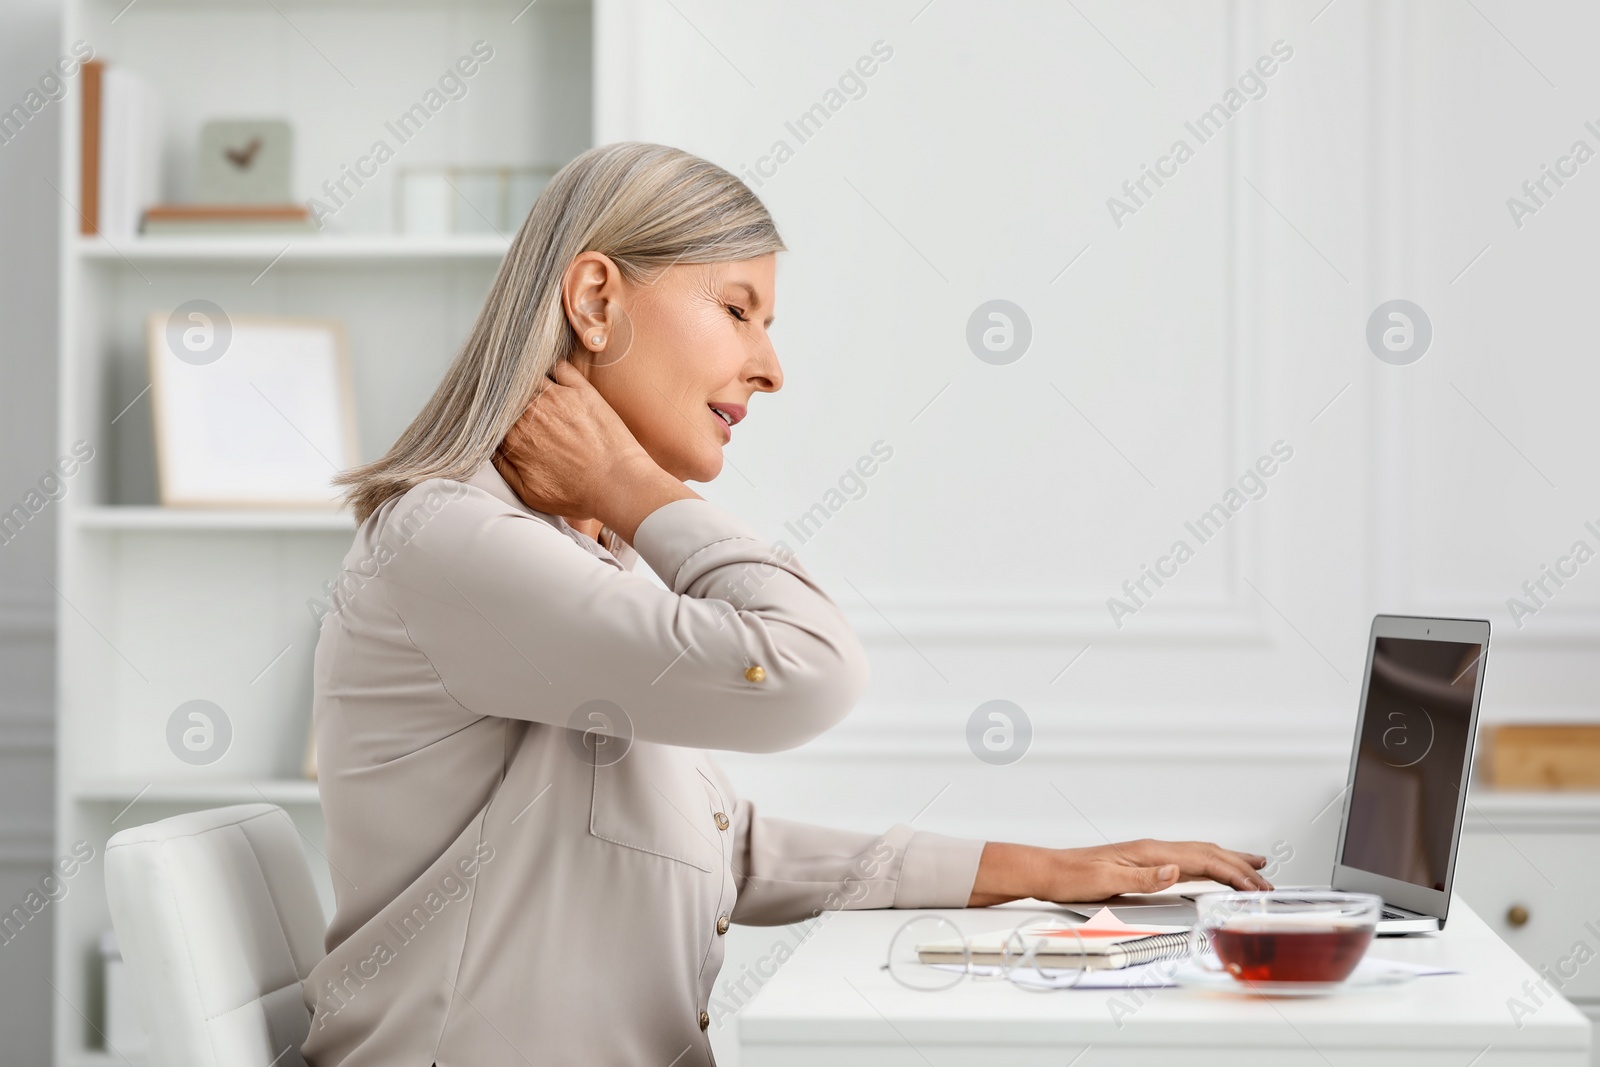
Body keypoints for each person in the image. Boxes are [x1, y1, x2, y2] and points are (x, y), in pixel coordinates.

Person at [302, 141, 1272, 1067]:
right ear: (597, 300)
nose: (771, 366)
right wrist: (635, 486)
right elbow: (806, 670)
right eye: (738, 309)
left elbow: (730, 846)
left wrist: (1051, 869)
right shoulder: (454, 543)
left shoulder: (568, 554)